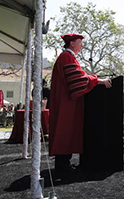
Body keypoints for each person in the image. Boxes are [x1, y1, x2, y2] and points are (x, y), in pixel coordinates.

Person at [49, 33, 111, 173]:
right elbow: (77, 79)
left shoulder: (67, 57)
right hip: (66, 103)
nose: (82, 45)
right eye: (80, 42)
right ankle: (62, 165)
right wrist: (98, 81)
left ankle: (64, 163)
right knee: (65, 130)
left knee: (67, 131)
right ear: (72, 43)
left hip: (67, 102)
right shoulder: (66, 57)